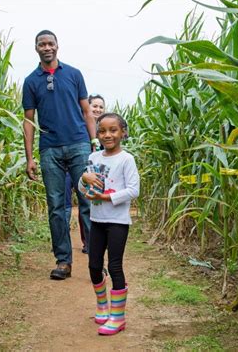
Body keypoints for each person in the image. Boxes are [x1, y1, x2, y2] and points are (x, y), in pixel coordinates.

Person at [22, 30, 100, 280]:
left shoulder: (74, 74)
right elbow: (28, 121)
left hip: (79, 145)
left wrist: (94, 143)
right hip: (50, 149)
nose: (47, 47)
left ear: (57, 46)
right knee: (56, 207)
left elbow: (87, 112)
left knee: (88, 201)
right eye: (42, 44)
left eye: (50, 43)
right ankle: (63, 262)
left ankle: (96, 261)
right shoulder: (31, 81)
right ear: (36, 49)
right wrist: (30, 157)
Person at [79, 113, 139, 335]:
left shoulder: (126, 159)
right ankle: (102, 306)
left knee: (114, 266)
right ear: (97, 134)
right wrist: (85, 181)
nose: (108, 135)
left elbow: (134, 190)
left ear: (123, 132)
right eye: (102, 131)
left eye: (113, 130)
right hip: (97, 220)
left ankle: (118, 317)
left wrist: (106, 198)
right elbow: (86, 187)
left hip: (117, 222)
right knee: (94, 266)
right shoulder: (94, 157)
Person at [65, 94, 106, 254]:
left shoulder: (106, 128)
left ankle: (90, 243)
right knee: (67, 205)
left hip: (95, 171)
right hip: (72, 168)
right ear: (87, 108)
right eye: (94, 106)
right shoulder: (79, 125)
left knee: (88, 205)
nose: (97, 109)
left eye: (101, 107)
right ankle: (64, 243)